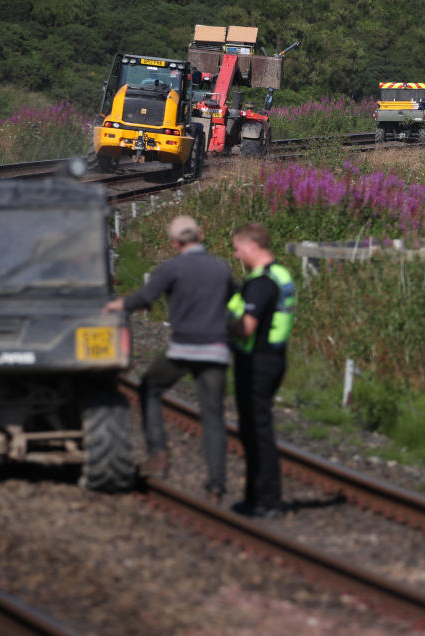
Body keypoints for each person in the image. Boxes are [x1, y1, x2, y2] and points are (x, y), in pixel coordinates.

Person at [103, 215, 234, 501]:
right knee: (212, 416)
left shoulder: (172, 267)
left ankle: (158, 454)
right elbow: (234, 302)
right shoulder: (221, 267)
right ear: (200, 235)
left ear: (175, 242)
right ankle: (216, 485)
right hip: (215, 351)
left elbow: (144, 297)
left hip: (183, 349)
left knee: (150, 388)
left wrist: (117, 304)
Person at [228, 222, 295, 519]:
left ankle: (268, 500)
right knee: (253, 429)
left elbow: (246, 328)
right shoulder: (279, 273)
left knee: (257, 432)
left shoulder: (262, 282)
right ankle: (255, 498)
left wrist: (216, 320)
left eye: (238, 247)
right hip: (273, 358)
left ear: (252, 246)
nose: (236, 253)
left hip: (258, 363)